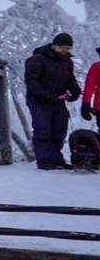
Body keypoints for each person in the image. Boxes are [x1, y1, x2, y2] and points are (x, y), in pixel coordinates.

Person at [25, 32, 82, 170]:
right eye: (62, 48)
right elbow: (32, 81)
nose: (65, 51)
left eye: (68, 48)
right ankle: (45, 162)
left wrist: (75, 91)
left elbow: (71, 80)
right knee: (43, 130)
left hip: (58, 101)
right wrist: (46, 95)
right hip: (39, 101)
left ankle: (56, 159)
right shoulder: (37, 59)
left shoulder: (67, 62)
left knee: (59, 131)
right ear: (54, 46)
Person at [81, 47, 100, 131]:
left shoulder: (96, 67)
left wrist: (86, 104)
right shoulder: (97, 67)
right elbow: (89, 86)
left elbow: (89, 87)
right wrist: (86, 104)